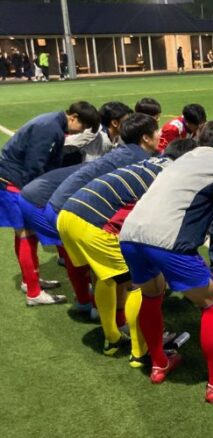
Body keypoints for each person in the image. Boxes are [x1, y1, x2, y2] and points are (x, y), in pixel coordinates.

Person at [120, 121, 213, 403]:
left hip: (130, 234)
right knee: (212, 302)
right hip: (168, 240)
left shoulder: (184, 157)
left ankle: (159, 363)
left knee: (151, 296)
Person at [57, 139, 198, 367]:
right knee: (138, 282)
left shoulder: (152, 162)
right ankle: (139, 352)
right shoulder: (173, 175)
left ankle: (112, 338)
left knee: (108, 277)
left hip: (68, 215)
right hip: (96, 223)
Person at [48, 113, 160, 354]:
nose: (160, 137)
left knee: (105, 275)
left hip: (65, 210)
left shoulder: (123, 152)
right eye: (156, 132)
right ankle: (138, 345)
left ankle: (106, 322)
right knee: (134, 281)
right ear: (146, 138)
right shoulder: (140, 160)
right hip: (88, 216)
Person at [0, 102, 100, 305]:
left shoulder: (53, 124)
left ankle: (30, 282)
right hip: (13, 182)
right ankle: (34, 293)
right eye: (83, 125)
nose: (81, 131)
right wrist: (39, 196)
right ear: (73, 117)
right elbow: (34, 166)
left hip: (13, 179)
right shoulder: (50, 128)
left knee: (27, 234)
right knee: (26, 234)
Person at [64, 101, 133, 163]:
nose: (129, 124)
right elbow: (89, 166)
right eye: (126, 121)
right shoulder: (97, 137)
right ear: (115, 123)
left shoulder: (117, 137)